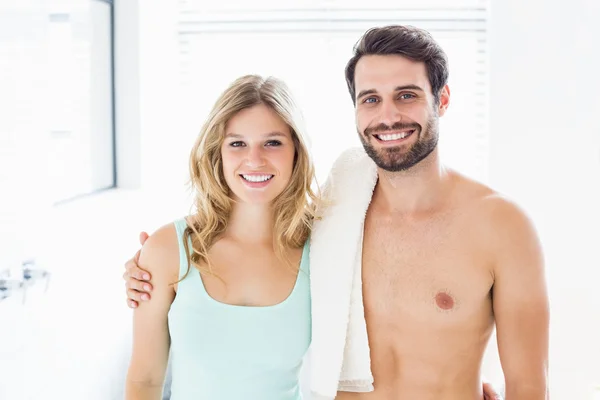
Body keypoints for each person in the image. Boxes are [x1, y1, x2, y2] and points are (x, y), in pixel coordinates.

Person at [124, 25, 548, 399]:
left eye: (407, 95)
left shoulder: (501, 227)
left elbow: (529, 386)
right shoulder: (332, 222)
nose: (388, 115)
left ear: (443, 99)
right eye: (370, 99)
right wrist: (145, 269)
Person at [125, 74, 319, 399]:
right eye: (237, 143)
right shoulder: (169, 248)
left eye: (272, 142)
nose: (254, 159)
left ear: (296, 151)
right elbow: (144, 381)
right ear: (218, 151)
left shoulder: (325, 248)